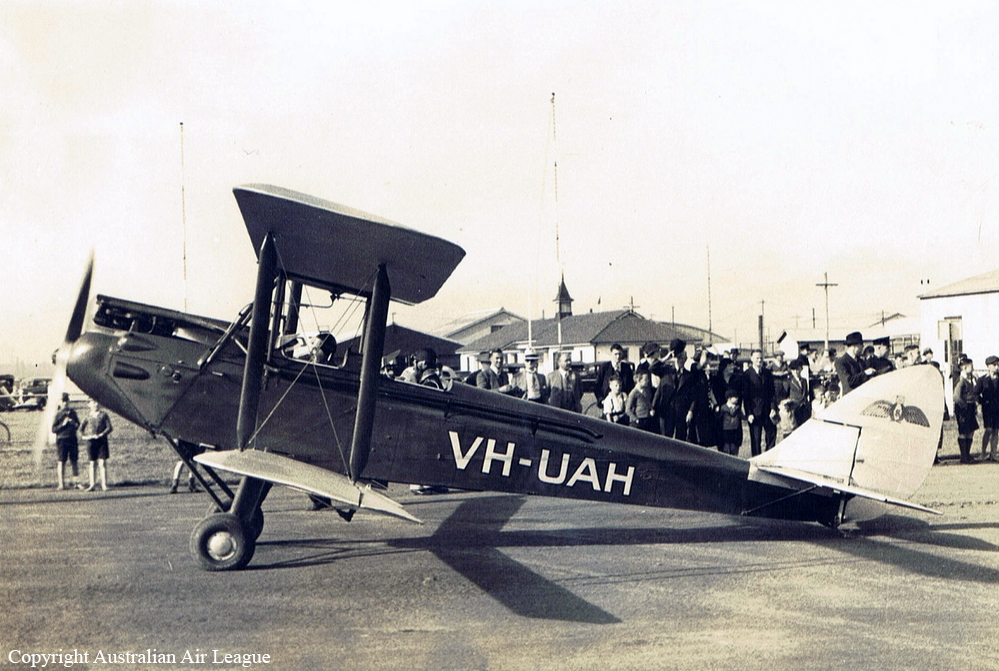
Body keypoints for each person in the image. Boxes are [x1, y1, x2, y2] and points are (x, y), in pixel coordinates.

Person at [743, 349, 777, 455]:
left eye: (761, 358)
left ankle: (769, 457)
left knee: (771, 435)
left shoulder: (767, 373)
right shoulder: (747, 374)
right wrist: (749, 413)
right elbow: (746, 396)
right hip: (755, 412)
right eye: (757, 358)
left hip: (767, 411)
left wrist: (773, 408)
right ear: (752, 359)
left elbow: (772, 393)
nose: (759, 360)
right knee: (756, 440)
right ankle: (756, 460)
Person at [80, 399, 113, 491]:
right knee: (92, 463)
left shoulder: (103, 415)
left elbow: (109, 427)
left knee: (102, 463)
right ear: (89, 404)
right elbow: (81, 428)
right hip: (91, 442)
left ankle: (104, 485)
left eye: (97, 402)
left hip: (101, 441)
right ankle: (92, 484)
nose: (96, 404)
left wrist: (102, 434)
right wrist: (84, 436)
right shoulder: (87, 416)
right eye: (93, 402)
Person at [51, 393, 80, 490]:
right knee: (61, 461)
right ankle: (61, 484)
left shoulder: (72, 413)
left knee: (74, 461)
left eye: (66, 401)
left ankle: (76, 482)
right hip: (62, 439)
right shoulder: (58, 414)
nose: (65, 403)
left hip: (72, 438)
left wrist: (73, 423)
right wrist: (62, 424)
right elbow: (53, 429)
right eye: (63, 401)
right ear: (60, 402)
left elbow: (78, 424)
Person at [954, 358, 979, 464]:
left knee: (970, 431)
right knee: (963, 431)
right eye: (971, 366)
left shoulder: (970, 379)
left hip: (970, 407)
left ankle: (967, 455)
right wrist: (964, 406)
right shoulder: (961, 380)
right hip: (963, 409)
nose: (972, 368)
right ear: (964, 367)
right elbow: (956, 396)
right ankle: (964, 456)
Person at [977, 355, 999, 462]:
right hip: (988, 409)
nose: (997, 367)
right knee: (988, 429)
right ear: (989, 366)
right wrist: (982, 402)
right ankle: (983, 452)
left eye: (997, 364)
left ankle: (993, 453)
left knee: (995, 430)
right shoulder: (982, 380)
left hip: (997, 409)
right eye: (994, 365)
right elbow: (976, 393)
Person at [716, 389, 743, 456]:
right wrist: (717, 411)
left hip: (735, 432)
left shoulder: (737, 408)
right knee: (726, 449)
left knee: (734, 449)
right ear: (729, 398)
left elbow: (742, 416)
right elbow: (718, 418)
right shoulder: (723, 408)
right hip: (726, 432)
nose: (737, 398)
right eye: (735, 397)